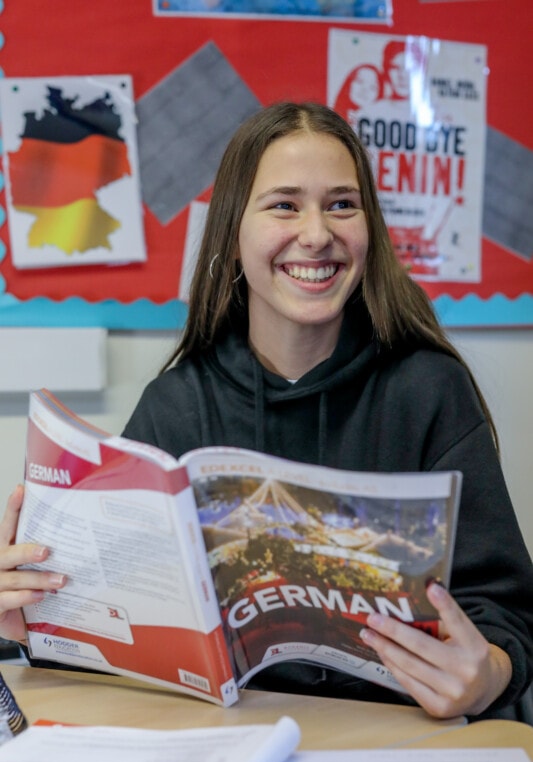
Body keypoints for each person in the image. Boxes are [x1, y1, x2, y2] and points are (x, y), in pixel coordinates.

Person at [1, 101, 532, 720]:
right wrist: (33, 622)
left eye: (342, 204)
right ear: (232, 236)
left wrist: (488, 673)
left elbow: (505, 611)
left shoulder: (426, 390)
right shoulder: (177, 404)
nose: (316, 233)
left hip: (394, 739)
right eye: (284, 204)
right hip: (223, 744)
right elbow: (114, 637)